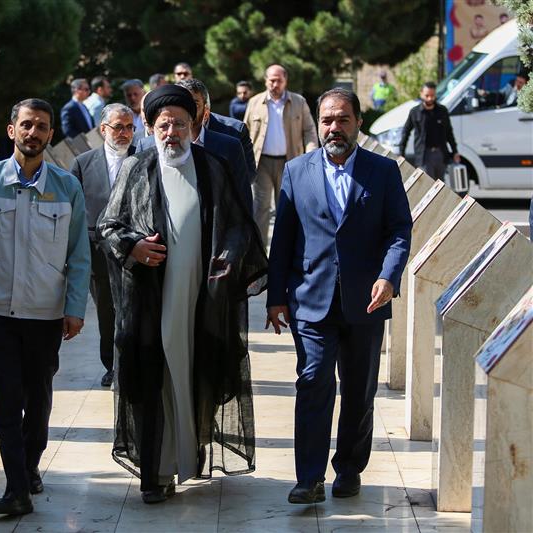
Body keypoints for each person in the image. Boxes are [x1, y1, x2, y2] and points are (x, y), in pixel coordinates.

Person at [98, 84, 268, 504]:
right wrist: (134, 247)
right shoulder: (136, 168)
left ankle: (188, 456)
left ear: (194, 126)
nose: (171, 133)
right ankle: (157, 472)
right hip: (150, 300)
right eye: (163, 125)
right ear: (150, 128)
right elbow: (109, 226)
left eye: (179, 124)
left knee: (196, 374)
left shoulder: (213, 168)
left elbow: (240, 226)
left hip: (201, 300)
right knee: (154, 378)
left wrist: (228, 256)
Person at [266, 88, 412, 504]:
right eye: (327, 120)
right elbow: (283, 239)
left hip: (366, 301)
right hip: (311, 299)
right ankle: (309, 478)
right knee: (313, 381)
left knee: (359, 390)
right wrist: (276, 297)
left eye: (343, 119)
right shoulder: (297, 171)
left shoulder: (383, 171)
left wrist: (388, 277)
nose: (334, 128)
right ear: (318, 124)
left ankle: (349, 468)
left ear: (358, 123)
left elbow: (399, 229)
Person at [0, 98, 91, 516]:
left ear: (50, 134)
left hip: (46, 314)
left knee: (39, 398)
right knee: (5, 403)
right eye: (27, 125)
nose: (34, 133)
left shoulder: (67, 187)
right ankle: (16, 487)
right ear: (12, 130)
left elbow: (79, 254)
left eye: (42, 126)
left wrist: (75, 307)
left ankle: (29, 466)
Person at [69, 104, 137, 387]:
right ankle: (112, 365)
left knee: (134, 308)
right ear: (103, 129)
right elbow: (73, 210)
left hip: (135, 247)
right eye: (118, 127)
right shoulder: (83, 163)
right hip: (97, 250)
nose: (124, 133)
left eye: (129, 127)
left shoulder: (144, 158)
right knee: (107, 310)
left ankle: (134, 363)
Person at [137, 78, 254, 213]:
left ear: (206, 112)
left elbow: (242, 198)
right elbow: (138, 200)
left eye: (194, 104)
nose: (187, 109)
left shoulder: (229, 146)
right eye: (180, 103)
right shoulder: (146, 146)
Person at [244, 64, 317, 248]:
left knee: (286, 207)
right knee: (261, 208)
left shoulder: (299, 102)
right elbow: (244, 131)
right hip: (261, 163)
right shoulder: (255, 102)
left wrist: (311, 153)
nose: (275, 84)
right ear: (265, 81)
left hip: (290, 163)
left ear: (286, 81)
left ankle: (284, 249)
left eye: (279, 81)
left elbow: (309, 130)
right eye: (271, 80)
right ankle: (259, 252)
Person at [399, 81, 460, 180]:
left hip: (440, 153)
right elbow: (406, 132)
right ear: (421, 94)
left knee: (440, 183)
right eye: (427, 95)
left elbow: (449, 132)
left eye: (432, 95)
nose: (430, 98)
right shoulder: (415, 112)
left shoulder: (442, 111)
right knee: (428, 182)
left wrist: (455, 151)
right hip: (424, 154)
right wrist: (401, 153)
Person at [122, 79, 146, 143]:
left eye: (136, 94)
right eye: (129, 95)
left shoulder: (151, 113)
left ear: (143, 93)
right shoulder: (122, 116)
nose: (132, 98)